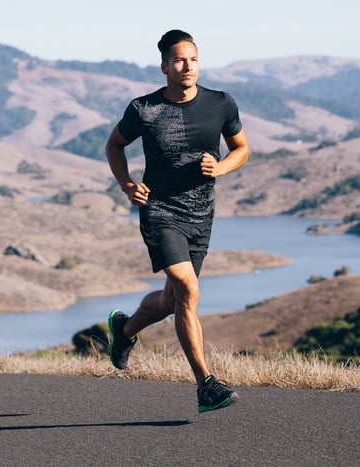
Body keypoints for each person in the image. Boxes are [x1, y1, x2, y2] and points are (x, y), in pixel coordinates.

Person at [105, 29, 250, 413]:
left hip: (201, 215)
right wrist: (126, 184)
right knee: (188, 290)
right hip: (160, 211)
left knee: (172, 300)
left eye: (194, 59)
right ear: (165, 66)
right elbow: (114, 145)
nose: (188, 67)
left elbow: (242, 149)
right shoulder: (144, 109)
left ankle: (124, 331)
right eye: (180, 60)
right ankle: (206, 385)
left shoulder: (220, 103)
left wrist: (220, 168)